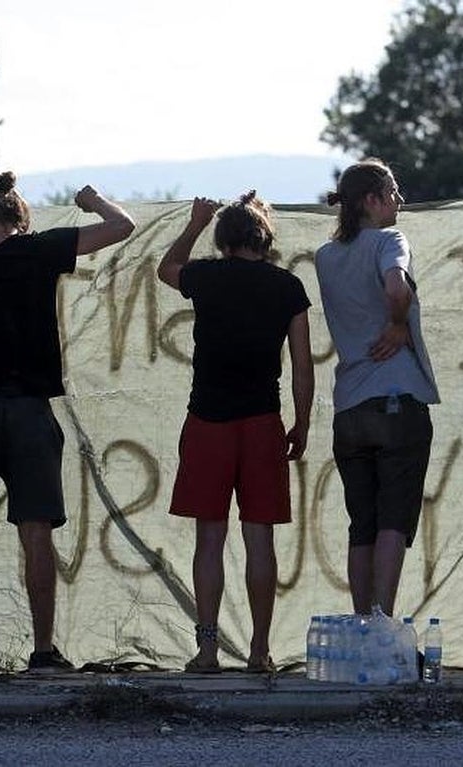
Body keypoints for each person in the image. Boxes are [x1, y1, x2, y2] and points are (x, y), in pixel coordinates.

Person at [0, 172, 135, 672]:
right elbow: (122, 226)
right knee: (36, 529)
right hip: (29, 409)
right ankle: (42, 651)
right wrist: (92, 198)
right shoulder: (42, 251)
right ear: (23, 219)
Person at [157, 192, 313, 674]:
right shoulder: (287, 287)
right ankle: (259, 650)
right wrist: (302, 421)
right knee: (259, 539)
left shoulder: (205, 277)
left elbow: (168, 267)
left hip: (207, 420)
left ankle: (207, 650)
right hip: (263, 421)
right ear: (265, 238)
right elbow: (303, 366)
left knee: (210, 539)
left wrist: (194, 222)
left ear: (223, 240)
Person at [315, 159, 440, 616]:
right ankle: (383, 624)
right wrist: (396, 323)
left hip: (349, 406)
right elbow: (395, 286)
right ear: (372, 200)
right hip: (395, 399)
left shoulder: (325, 257)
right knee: (393, 520)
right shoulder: (390, 240)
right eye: (393, 192)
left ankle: (360, 619)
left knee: (361, 525)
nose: (400, 201)